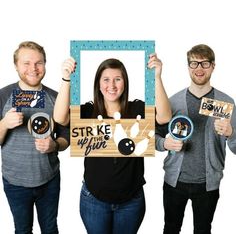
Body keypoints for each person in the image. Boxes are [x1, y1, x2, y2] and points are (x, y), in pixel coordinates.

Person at [53, 53, 171, 234]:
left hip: (131, 200)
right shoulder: (87, 110)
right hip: (94, 200)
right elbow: (60, 118)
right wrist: (66, 79)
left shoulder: (138, 109)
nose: (112, 85)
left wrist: (156, 76)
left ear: (125, 83)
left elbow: (164, 117)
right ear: (98, 84)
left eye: (118, 79)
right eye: (106, 80)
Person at [155, 44, 236, 234]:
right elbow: (153, 137)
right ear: (188, 67)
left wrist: (231, 133)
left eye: (205, 63)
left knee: (203, 230)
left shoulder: (226, 103)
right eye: (194, 63)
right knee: (171, 228)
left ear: (213, 66)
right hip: (174, 182)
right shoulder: (173, 102)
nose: (199, 68)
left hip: (208, 184)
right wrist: (164, 143)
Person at [0, 41, 70, 234]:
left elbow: (66, 137)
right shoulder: (3, 95)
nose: (33, 68)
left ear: (45, 65)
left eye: (39, 63)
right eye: (26, 63)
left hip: (49, 180)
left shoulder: (56, 97)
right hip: (15, 182)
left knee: (50, 228)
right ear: (16, 65)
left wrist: (54, 145)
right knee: (22, 230)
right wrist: (4, 124)